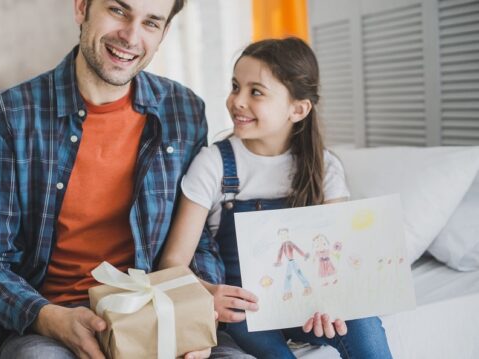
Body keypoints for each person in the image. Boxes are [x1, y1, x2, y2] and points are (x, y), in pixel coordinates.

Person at [0, 1, 245, 358]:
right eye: (118, 10)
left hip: (160, 311)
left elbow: (197, 239)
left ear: (164, 33)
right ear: (82, 8)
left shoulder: (184, 110)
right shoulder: (8, 116)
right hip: (55, 322)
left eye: (151, 23)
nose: (130, 36)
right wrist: (50, 319)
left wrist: (196, 310)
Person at [159, 37, 393, 358]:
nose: (237, 101)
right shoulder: (213, 163)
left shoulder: (325, 168)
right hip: (245, 311)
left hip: (307, 306)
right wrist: (210, 293)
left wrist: (332, 304)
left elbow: (338, 265)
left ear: (297, 109)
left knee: (365, 322)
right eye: (235, 86)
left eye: (256, 91)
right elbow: (172, 262)